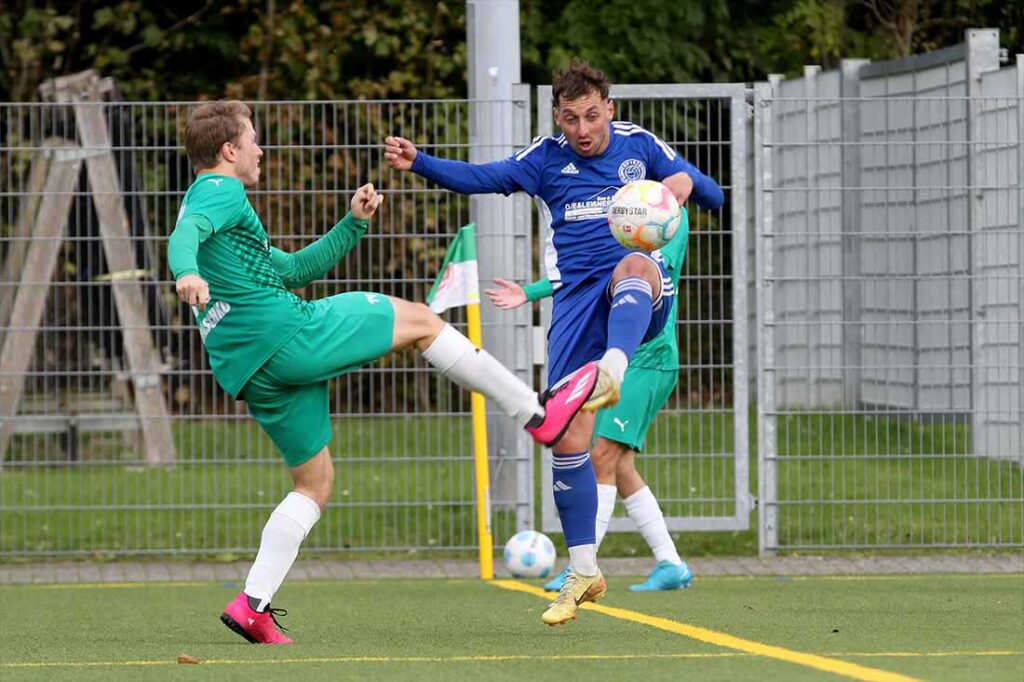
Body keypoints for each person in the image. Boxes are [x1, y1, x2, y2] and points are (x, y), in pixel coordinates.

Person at [167, 100, 596, 644]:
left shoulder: (225, 220)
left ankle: (253, 603)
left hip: (250, 366)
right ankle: (537, 414)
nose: (259, 148)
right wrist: (184, 273)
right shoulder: (218, 191)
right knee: (420, 320)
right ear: (229, 151)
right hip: (283, 335)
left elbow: (297, 268)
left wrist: (353, 222)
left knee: (314, 482)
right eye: (252, 140)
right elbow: (183, 242)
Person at [385, 61, 723, 626]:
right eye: (571, 118)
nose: (583, 128)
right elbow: (482, 177)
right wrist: (419, 162)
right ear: (558, 118)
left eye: (592, 115)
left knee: (637, 263)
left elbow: (709, 192)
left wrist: (686, 184)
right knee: (568, 438)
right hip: (573, 303)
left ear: (609, 108)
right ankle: (584, 568)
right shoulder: (544, 158)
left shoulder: (641, 146)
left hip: (635, 285)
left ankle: (614, 365)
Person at [485, 208, 695, 593]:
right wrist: (528, 292)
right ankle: (671, 563)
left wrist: (684, 184)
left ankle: (582, 567)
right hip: (617, 361)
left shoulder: (668, 222)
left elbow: (699, 194)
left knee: (599, 456)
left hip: (649, 362)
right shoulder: (618, 226)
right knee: (620, 465)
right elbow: (583, 278)